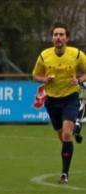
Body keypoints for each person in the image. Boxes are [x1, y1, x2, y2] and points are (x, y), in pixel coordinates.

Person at [32, 21, 86, 184]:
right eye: (56, 35)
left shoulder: (77, 54)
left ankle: (64, 173)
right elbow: (35, 76)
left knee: (66, 134)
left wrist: (79, 80)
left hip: (70, 98)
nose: (58, 37)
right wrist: (45, 79)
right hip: (52, 100)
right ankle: (77, 129)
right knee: (63, 138)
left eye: (61, 34)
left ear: (67, 38)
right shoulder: (44, 56)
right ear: (52, 38)